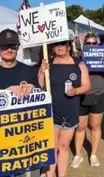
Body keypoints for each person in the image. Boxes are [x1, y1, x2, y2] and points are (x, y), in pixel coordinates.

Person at [38, 39, 90, 177]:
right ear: (52, 47)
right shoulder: (48, 63)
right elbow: (40, 85)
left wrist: (76, 91)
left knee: (64, 146)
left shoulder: (78, 64)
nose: (59, 47)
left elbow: (86, 85)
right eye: (56, 45)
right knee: (52, 148)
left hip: (70, 113)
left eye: (62, 44)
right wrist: (42, 71)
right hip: (52, 112)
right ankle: (50, 174)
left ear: (68, 46)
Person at [70, 31, 104, 168]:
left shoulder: (103, 59)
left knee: (95, 126)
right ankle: (78, 155)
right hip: (81, 96)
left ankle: (93, 154)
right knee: (80, 127)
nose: (91, 45)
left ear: (98, 44)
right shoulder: (78, 59)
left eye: (94, 43)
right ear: (84, 45)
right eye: (88, 43)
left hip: (98, 94)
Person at [0, 29, 39, 177]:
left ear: (17, 48)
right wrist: (5, 93)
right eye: (4, 46)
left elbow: (41, 102)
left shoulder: (29, 71)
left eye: (12, 46)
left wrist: (34, 89)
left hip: (27, 138)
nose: (9, 49)